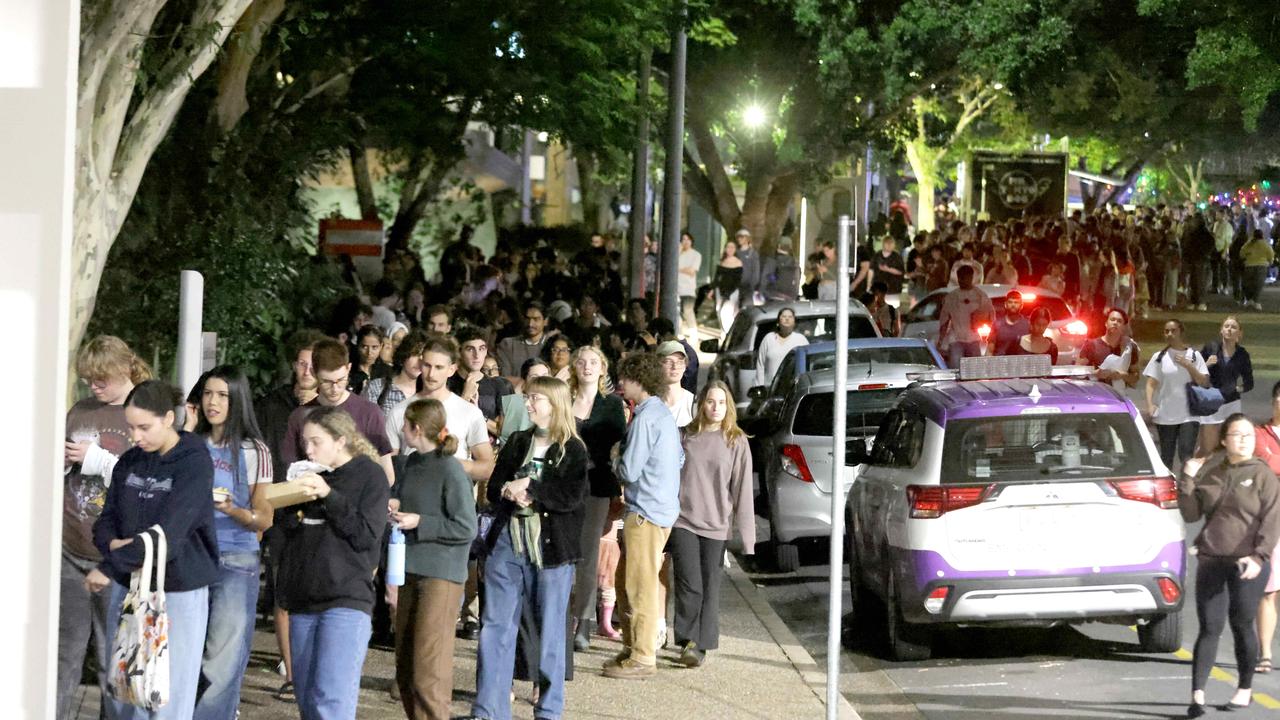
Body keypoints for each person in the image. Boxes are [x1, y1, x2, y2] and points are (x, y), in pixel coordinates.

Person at [88, 380, 218, 720]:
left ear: (168, 419)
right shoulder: (129, 461)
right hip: (129, 583)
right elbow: (106, 521)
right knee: (124, 693)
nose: (135, 436)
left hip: (177, 591)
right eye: (130, 427)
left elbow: (169, 535)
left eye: (144, 427)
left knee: (164, 696)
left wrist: (111, 561)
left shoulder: (194, 462)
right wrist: (114, 550)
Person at [471, 377, 588, 720]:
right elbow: (492, 488)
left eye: (536, 398)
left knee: (551, 631)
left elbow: (570, 497)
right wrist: (508, 488)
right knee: (495, 625)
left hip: (550, 551)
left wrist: (533, 487)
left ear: (556, 403)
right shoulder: (518, 441)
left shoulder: (573, 449)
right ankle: (488, 709)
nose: (529, 404)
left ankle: (549, 709)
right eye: (528, 398)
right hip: (507, 542)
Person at [57, 336, 152, 720]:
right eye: (88, 380)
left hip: (116, 556)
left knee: (113, 655)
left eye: (101, 380)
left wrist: (96, 459)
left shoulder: (144, 412)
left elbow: (146, 482)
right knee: (64, 653)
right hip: (71, 546)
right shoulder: (80, 411)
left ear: (125, 369)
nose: (94, 387)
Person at [276, 406, 390, 719]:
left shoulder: (370, 475)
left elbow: (367, 536)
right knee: (307, 698)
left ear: (340, 441)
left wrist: (329, 495)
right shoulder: (310, 475)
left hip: (345, 599)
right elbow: (285, 533)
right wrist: (287, 501)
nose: (308, 449)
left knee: (331, 700)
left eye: (316, 442)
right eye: (305, 442)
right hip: (302, 598)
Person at [1179, 414, 1280, 717]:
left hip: (1248, 564)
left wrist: (1259, 556)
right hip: (1212, 560)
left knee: (1241, 624)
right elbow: (1191, 514)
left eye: (1249, 435)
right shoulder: (1213, 472)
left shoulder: (1264, 476)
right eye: (1237, 434)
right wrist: (1187, 479)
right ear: (1224, 440)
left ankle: (1244, 689)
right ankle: (1197, 696)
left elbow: (1272, 520)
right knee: (1209, 628)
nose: (1244, 440)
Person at [193, 366, 274, 720]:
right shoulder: (190, 443)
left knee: (221, 660)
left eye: (222, 395)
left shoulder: (254, 450)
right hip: (191, 555)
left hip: (236, 557)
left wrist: (231, 509)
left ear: (237, 399)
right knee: (186, 652)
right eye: (208, 393)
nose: (213, 402)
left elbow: (264, 518)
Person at [392, 399, 478, 720]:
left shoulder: (451, 469)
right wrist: (395, 504)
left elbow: (466, 527)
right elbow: (405, 495)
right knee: (406, 667)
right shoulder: (413, 463)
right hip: (409, 569)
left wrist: (421, 522)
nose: (401, 430)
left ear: (417, 429)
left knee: (429, 671)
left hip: (440, 574)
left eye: (405, 425)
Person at [604, 353, 683, 680]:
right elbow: (678, 459)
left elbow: (629, 469)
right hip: (659, 509)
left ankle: (642, 656)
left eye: (626, 378)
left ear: (640, 380)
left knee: (640, 585)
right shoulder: (661, 414)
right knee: (626, 581)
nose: (622, 383)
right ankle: (632, 647)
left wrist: (615, 455)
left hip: (645, 513)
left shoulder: (645, 419)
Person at [254, 329, 323, 700]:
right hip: (279, 507)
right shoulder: (271, 404)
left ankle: (313, 669)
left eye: (314, 364)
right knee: (284, 590)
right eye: (302, 362)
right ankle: (292, 674)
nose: (307, 370)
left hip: (321, 509)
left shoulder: (333, 408)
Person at [670, 382, 754, 668]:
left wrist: (747, 537)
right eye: (710, 401)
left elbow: (743, 489)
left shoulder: (736, 441)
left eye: (721, 402)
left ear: (728, 406)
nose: (715, 407)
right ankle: (687, 639)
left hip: (717, 525)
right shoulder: (685, 436)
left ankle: (702, 642)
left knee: (710, 585)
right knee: (688, 583)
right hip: (684, 520)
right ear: (701, 404)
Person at [567, 346, 628, 650]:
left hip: (597, 484)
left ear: (603, 368)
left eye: (593, 362)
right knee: (563, 549)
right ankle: (564, 617)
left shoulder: (612, 404)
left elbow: (618, 443)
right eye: (582, 362)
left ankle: (584, 621)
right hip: (564, 484)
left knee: (588, 553)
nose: (587, 367)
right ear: (574, 367)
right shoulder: (564, 400)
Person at [1143, 319, 1211, 471]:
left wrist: (1188, 366)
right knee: (1166, 456)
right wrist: (1150, 404)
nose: (1169, 334)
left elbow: (1204, 382)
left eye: (1173, 330)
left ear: (1181, 332)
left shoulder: (1194, 356)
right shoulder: (1159, 357)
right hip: (1166, 415)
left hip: (1189, 414)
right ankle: (1169, 488)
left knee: (1186, 454)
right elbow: (1151, 384)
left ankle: (1186, 487)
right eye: (1166, 331)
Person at [1197, 316, 1254, 456]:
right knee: (1207, 448)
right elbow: (1195, 371)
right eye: (1226, 326)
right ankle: (1195, 471)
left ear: (1240, 334)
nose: (1229, 329)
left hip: (1231, 403)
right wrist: (1207, 364)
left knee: (1229, 448)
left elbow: (1249, 382)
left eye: (1233, 327)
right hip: (1210, 401)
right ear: (1221, 331)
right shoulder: (1211, 348)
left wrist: (1238, 389)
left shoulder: (1242, 354)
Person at [1254, 382, 1280, 676]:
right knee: (1269, 591)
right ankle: (1265, 654)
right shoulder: (1259, 435)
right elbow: (1263, 466)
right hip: (1270, 522)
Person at [449, 327, 515, 436]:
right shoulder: (446, 383)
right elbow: (444, 428)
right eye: (470, 349)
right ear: (459, 352)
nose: (477, 355)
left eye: (481, 348)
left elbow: (508, 432)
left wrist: (477, 414)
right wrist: (464, 397)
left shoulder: (501, 384)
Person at [938, 265, 994, 368]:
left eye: (965, 278)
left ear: (971, 277)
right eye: (960, 278)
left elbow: (990, 318)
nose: (962, 280)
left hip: (975, 340)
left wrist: (989, 338)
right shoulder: (951, 297)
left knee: (974, 371)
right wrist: (941, 341)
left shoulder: (980, 296)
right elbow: (944, 320)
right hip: (956, 340)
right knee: (956, 369)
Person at [364, 329, 429, 418]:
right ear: (404, 354)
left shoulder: (429, 395)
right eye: (415, 354)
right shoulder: (377, 388)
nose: (420, 361)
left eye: (424, 357)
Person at [1077, 307, 1142, 389]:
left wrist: (1121, 375)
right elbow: (1077, 371)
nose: (1115, 323)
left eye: (1119, 321)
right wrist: (1096, 373)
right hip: (1095, 393)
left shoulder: (1129, 348)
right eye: (1112, 319)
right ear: (1106, 323)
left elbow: (1135, 377)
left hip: (1118, 396)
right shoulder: (1091, 345)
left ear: (1124, 327)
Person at [495, 302, 550, 384]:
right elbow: (504, 379)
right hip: (514, 395)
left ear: (545, 321)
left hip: (546, 394)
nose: (530, 324)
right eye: (527, 318)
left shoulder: (552, 345)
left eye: (536, 319)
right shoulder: (508, 344)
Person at [499, 358, 551, 444]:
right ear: (524, 380)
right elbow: (501, 432)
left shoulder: (558, 401)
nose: (541, 381)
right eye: (534, 377)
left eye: (544, 376)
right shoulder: (512, 402)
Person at [754, 307, 809, 389]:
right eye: (784, 316)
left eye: (790, 317)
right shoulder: (769, 338)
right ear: (778, 321)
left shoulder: (801, 340)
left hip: (792, 389)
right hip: (770, 389)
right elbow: (760, 365)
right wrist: (760, 386)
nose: (787, 319)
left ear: (794, 322)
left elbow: (807, 363)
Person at [658, 341, 697, 427]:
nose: (675, 367)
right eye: (668, 361)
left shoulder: (693, 404)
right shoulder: (649, 404)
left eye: (680, 362)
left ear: (685, 366)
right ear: (657, 365)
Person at [350, 324, 391, 396]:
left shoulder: (387, 372)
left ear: (381, 346)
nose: (369, 352)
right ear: (358, 345)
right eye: (364, 347)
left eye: (374, 347)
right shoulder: (348, 368)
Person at [1241, 229, 1275, 310]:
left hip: (1249, 265)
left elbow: (1242, 254)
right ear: (1262, 235)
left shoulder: (1249, 244)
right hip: (1262, 266)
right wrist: (1270, 263)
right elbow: (1271, 255)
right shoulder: (1266, 244)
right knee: (1258, 285)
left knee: (1248, 284)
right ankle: (1256, 301)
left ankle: (1249, 299)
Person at [714, 240, 744, 332]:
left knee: (726, 312)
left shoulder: (738, 262)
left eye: (732, 247)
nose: (730, 249)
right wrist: (712, 289)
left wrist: (729, 293)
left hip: (732, 291)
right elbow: (717, 278)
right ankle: (724, 333)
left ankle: (728, 333)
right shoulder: (721, 261)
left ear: (735, 249)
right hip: (720, 290)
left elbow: (738, 281)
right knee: (718, 310)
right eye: (728, 247)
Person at [678, 232, 702, 339]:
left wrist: (678, 269)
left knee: (688, 310)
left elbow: (692, 271)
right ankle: (678, 333)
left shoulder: (696, 255)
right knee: (677, 312)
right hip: (676, 288)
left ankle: (693, 333)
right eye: (683, 239)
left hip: (688, 288)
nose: (685, 242)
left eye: (688, 239)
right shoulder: (678, 254)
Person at [991, 291, 1028, 357]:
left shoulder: (1028, 325)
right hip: (1001, 364)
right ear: (1005, 304)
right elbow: (989, 349)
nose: (1013, 305)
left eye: (1016, 302)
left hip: (1021, 364)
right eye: (1010, 302)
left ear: (1021, 305)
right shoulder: (997, 324)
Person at [735, 228, 762, 305]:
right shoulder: (736, 253)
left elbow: (756, 271)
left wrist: (752, 285)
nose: (739, 239)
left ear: (747, 238)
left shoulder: (753, 253)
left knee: (746, 306)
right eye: (738, 237)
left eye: (742, 237)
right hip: (736, 286)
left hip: (748, 287)